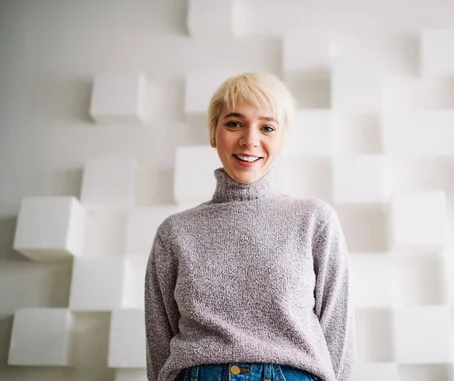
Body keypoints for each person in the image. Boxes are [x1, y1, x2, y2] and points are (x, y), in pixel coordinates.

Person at [144, 72, 355, 381]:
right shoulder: (175, 232)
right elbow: (158, 341)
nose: (250, 140)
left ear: (281, 140)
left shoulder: (314, 220)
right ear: (213, 132)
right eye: (234, 123)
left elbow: (338, 331)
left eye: (267, 127)